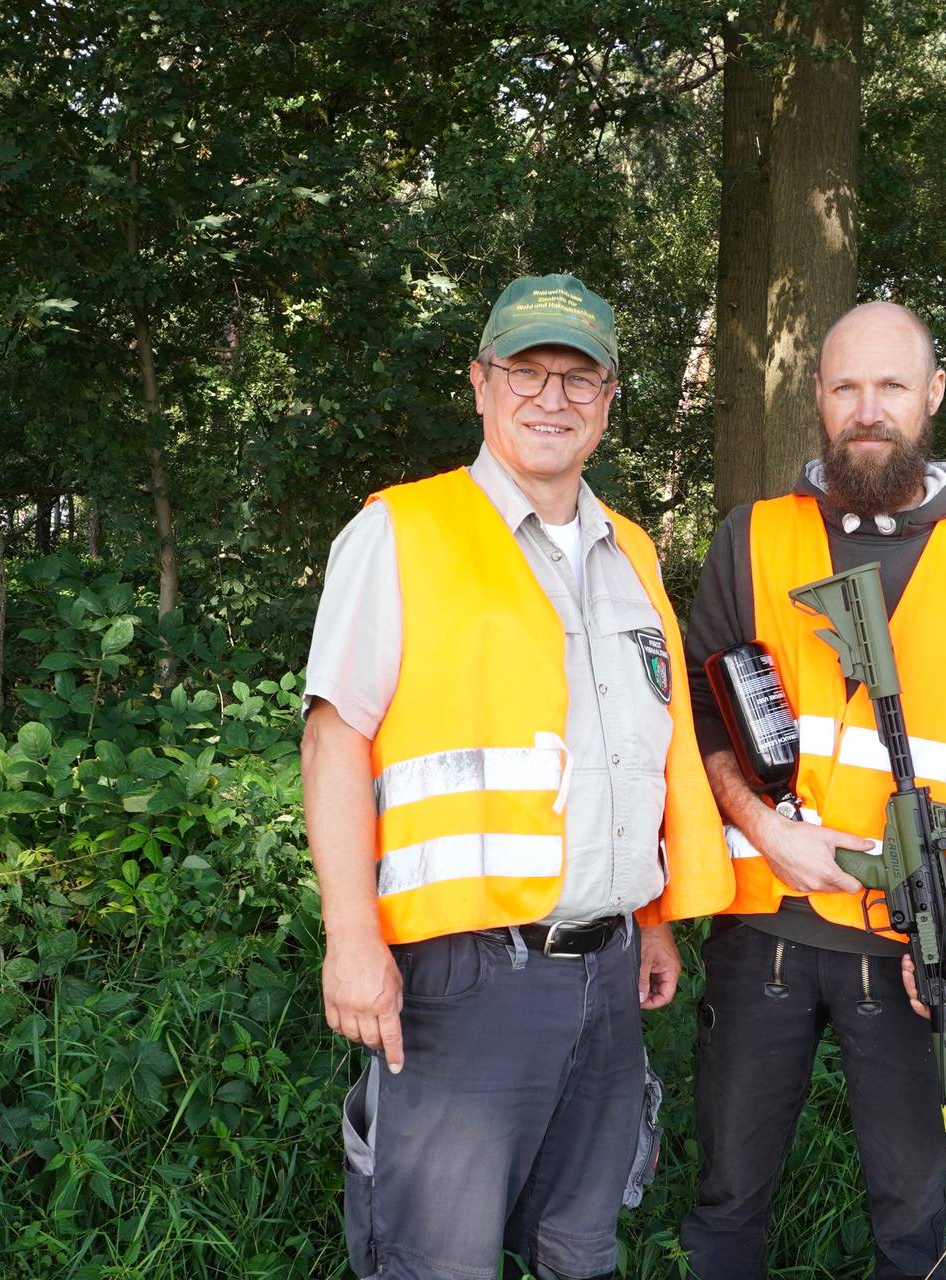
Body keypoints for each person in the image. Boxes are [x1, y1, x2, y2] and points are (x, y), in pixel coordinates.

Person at [301, 273, 735, 1280]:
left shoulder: (630, 551)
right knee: (437, 1261)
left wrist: (651, 918)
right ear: (481, 383)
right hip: (463, 977)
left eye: (578, 378)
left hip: (609, 973)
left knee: (579, 1251)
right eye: (526, 372)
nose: (551, 398)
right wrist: (351, 939)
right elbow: (333, 741)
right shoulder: (402, 531)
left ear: (609, 399)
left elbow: (634, 748)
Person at [676, 301, 946, 1280]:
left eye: (891, 384)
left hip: (908, 948)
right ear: (818, 396)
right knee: (726, 1201)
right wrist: (766, 826)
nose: (868, 408)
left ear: (934, 394)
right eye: (846, 386)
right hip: (762, 930)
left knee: (912, 1221)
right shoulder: (753, 536)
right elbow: (703, 716)